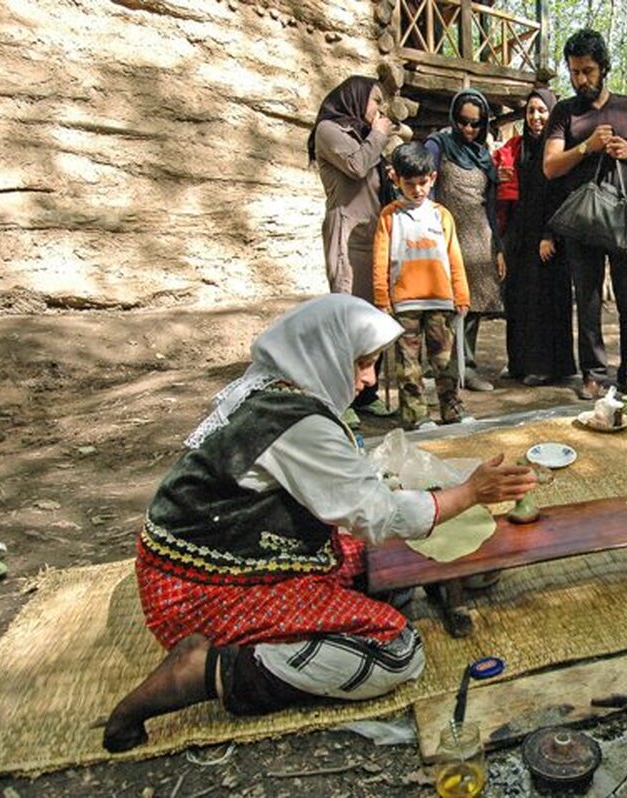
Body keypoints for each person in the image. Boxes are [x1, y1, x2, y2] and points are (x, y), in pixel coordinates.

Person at [102, 295, 535, 753]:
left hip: (217, 551)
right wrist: (469, 493)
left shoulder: (274, 389)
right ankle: (207, 669)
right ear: (324, 353)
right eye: (362, 364)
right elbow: (376, 514)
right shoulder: (294, 423)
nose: (368, 379)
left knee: (380, 565)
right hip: (199, 588)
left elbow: (340, 493)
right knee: (396, 650)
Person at [543, 28, 627, 400]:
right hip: (583, 222)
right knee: (586, 298)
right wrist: (587, 146)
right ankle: (593, 374)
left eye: (587, 70)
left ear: (604, 68)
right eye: (574, 72)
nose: (580, 79)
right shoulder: (564, 111)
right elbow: (550, 166)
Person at [309, 75, 398, 418]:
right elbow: (356, 166)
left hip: (373, 236)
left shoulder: (362, 138)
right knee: (348, 315)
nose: (379, 109)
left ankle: (367, 393)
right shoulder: (328, 130)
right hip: (347, 235)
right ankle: (342, 397)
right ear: (356, 98)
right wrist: (378, 135)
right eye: (376, 101)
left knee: (372, 318)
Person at [373, 143, 472, 429]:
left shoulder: (441, 215)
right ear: (396, 180)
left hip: (440, 301)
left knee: (445, 361)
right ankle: (416, 417)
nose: (417, 190)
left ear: (433, 178)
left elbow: (454, 256)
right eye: (410, 184)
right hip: (404, 304)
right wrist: (382, 299)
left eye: (422, 183)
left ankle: (452, 410)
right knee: (409, 365)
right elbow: (380, 261)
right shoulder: (389, 217)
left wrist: (461, 294)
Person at [425, 89, 505, 393]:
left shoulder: (484, 156)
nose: (468, 129)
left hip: (478, 237)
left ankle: (467, 368)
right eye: (463, 122)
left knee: (472, 306)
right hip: (444, 234)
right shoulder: (438, 145)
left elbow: (491, 204)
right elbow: (426, 187)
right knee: (441, 304)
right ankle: (440, 370)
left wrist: (497, 246)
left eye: (476, 123)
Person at [500, 88, 578, 387]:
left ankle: (545, 365)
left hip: (548, 234)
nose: (535, 117)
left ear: (553, 114)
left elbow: (560, 193)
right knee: (518, 298)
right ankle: (519, 361)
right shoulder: (520, 147)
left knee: (543, 300)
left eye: (542, 111)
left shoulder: (557, 149)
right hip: (520, 233)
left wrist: (550, 234)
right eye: (531, 111)